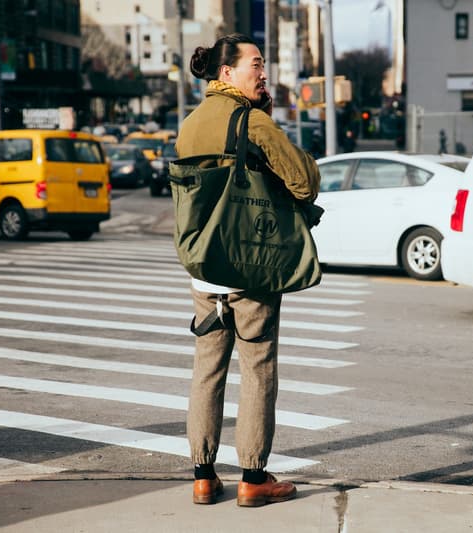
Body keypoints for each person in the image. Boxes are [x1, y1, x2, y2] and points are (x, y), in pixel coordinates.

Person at [175, 33, 320, 507]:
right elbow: (303, 182)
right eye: (255, 64)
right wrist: (269, 123)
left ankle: (203, 475)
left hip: (204, 268)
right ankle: (254, 479)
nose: (263, 72)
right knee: (257, 370)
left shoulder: (190, 124)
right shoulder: (252, 121)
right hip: (250, 267)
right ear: (227, 73)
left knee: (206, 371)